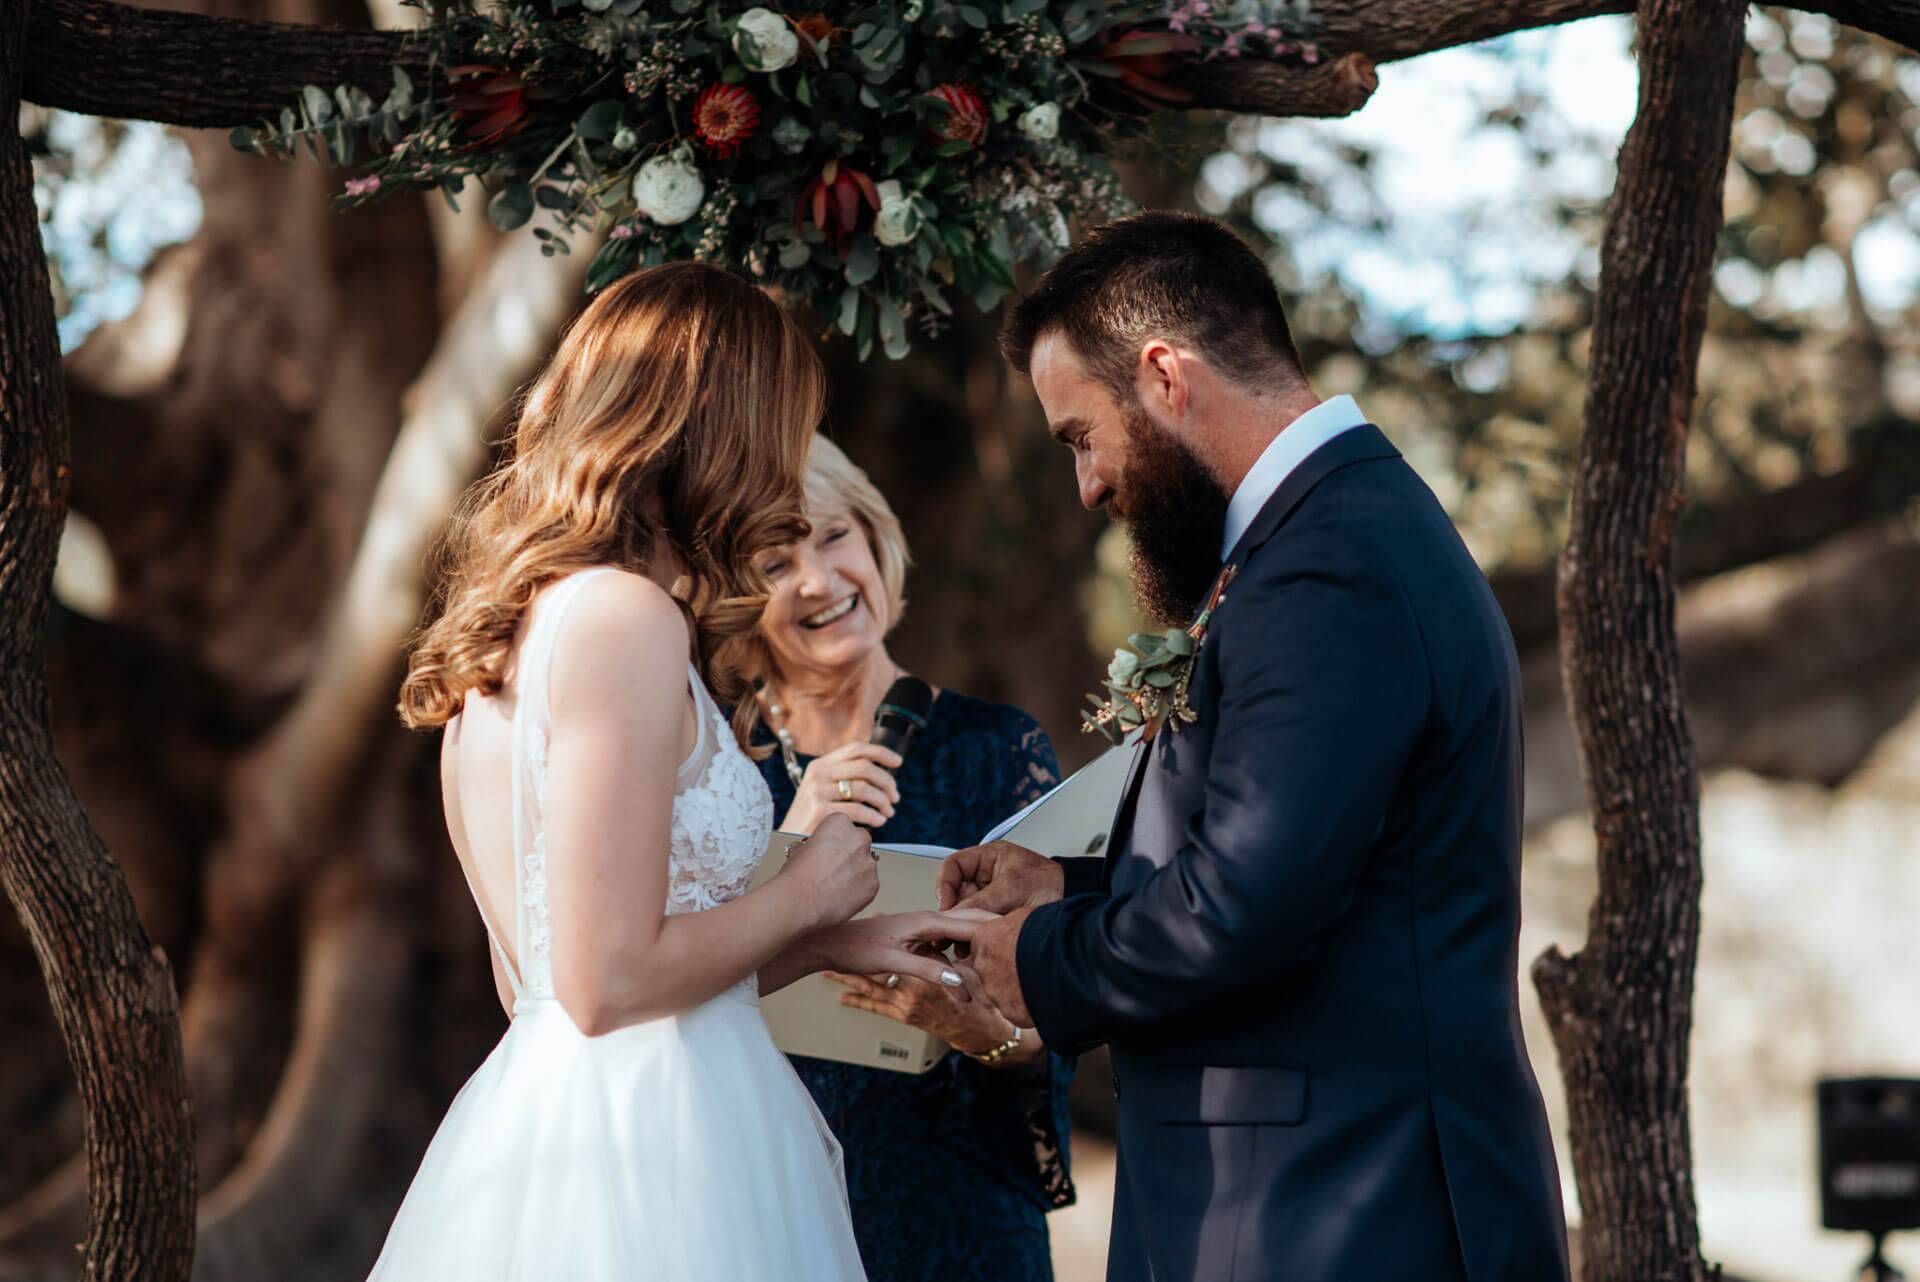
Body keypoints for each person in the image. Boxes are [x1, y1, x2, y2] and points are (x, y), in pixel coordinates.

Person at [939, 213, 1571, 1282]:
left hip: (1343, 1210)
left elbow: (1248, 904)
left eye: (1080, 435)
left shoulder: (1331, 562)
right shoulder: (1325, 537)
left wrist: (1039, 958)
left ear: (1164, 376)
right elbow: (1305, 854)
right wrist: (1063, 885)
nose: (1087, 485)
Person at [377, 263, 977, 1282]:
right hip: (654, 1152)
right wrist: (804, 887)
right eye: (783, 426)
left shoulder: (513, 650)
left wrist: (843, 937)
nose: (788, 466)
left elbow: (587, 978)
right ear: (727, 427)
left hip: (571, 1125)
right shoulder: (623, 617)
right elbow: (605, 982)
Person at [737, 435, 1075, 1282]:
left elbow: (1065, 995)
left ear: (876, 538)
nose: (818, 578)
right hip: (759, 1200)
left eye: (833, 536)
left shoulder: (999, 749)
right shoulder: (721, 770)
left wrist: (995, 1039)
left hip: (954, 1206)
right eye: (776, 563)